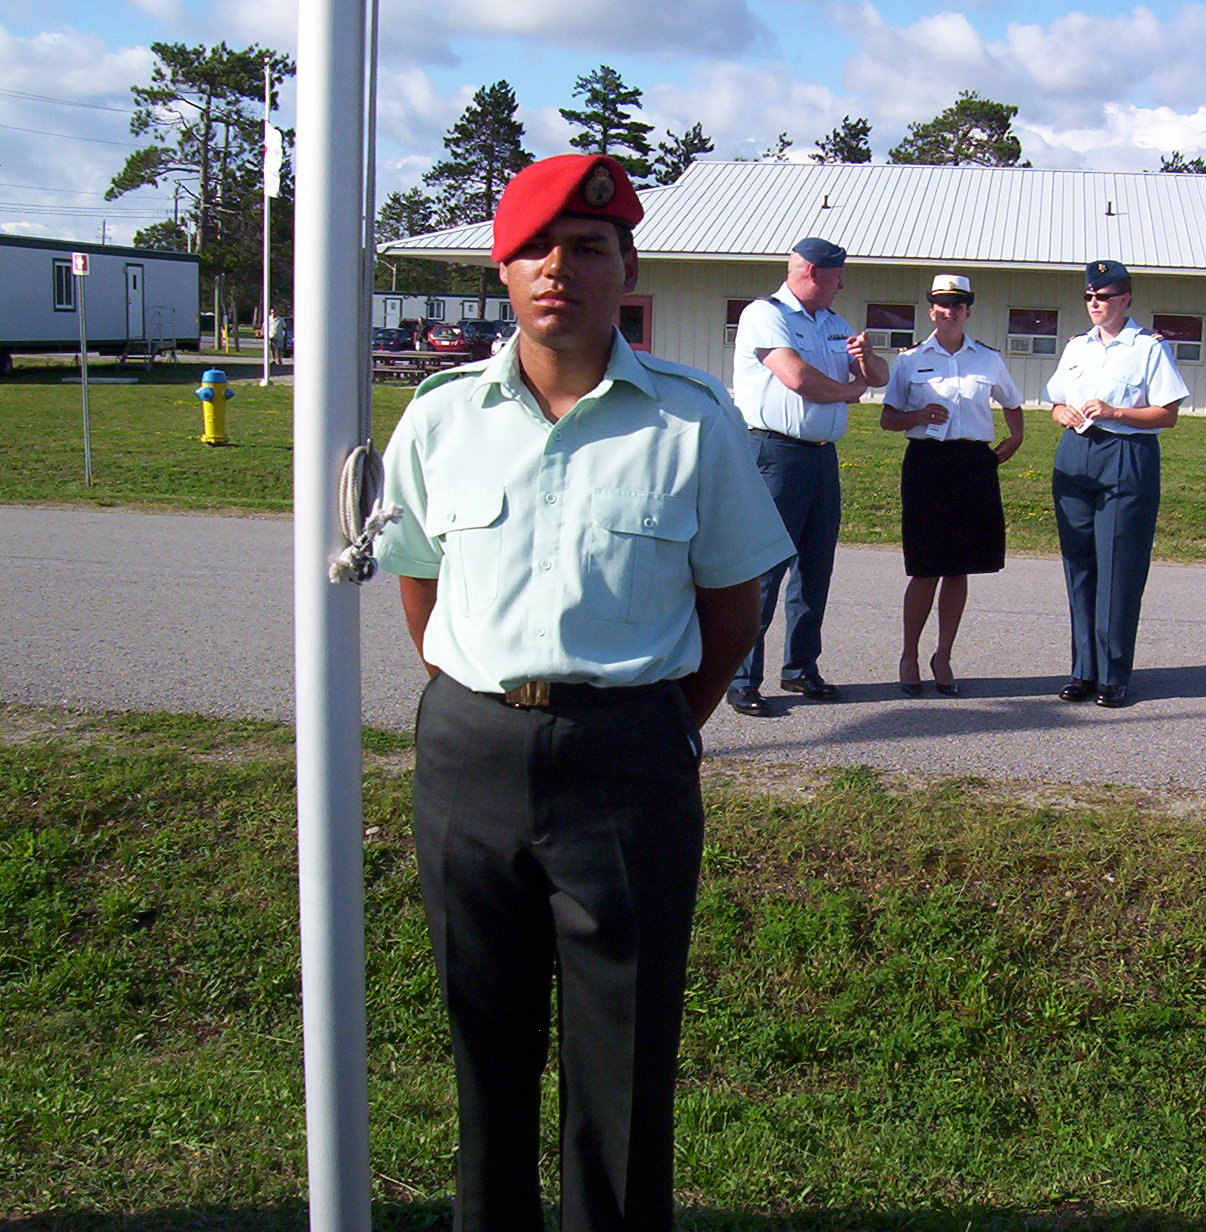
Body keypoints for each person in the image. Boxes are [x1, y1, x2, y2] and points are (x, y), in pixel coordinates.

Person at [374, 153, 794, 1232]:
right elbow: (420, 582)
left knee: (626, 1049)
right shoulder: (440, 416)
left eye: (588, 247)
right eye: (534, 250)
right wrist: (488, 692)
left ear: (627, 269)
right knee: (483, 1037)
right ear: (503, 272)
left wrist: (650, 722)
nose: (559, 268)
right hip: (470, 753)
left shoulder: (692, 421)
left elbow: (732, 609)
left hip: (626, 762)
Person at [725, 236, 888, 717]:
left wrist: (866, 359)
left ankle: (800, 667)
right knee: (765, 570)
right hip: (775, 454)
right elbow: (798, 379)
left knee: (815, 568)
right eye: (838, 275)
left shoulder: (835, 324)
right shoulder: (766, 315)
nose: (842, 284)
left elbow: (878, 377)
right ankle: (741, 678)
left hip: (821, 457)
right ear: (814, 273)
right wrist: (852, 391)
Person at [1046, 258, 1189, 708]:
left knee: (1118, 567)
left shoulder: (1147, 348)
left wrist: (1116, 412)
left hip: (1125, 452)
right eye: (1089, 296)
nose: (1094, 303)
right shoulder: (1077, 347)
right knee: (1079, 564)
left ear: (1124, 299)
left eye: (1103, 296)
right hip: (1076, 452)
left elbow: (1167, 414)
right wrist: (1060, 413)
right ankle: (1083, 671)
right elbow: (1055, 401)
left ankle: (1113, 675)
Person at [879, 274, 1024, 697]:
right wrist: (918, 416)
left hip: (972, 465)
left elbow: (1012, 402)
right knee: (925, 567)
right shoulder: (910, 360)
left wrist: (1015, 438)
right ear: (931, 311)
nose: (950, 311)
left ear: (968, 312)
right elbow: (888, 419)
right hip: (927, 464)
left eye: (958, 305)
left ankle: (943, 656)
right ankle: (909, 655)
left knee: (959, 567)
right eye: (942, 304)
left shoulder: (988, 359)